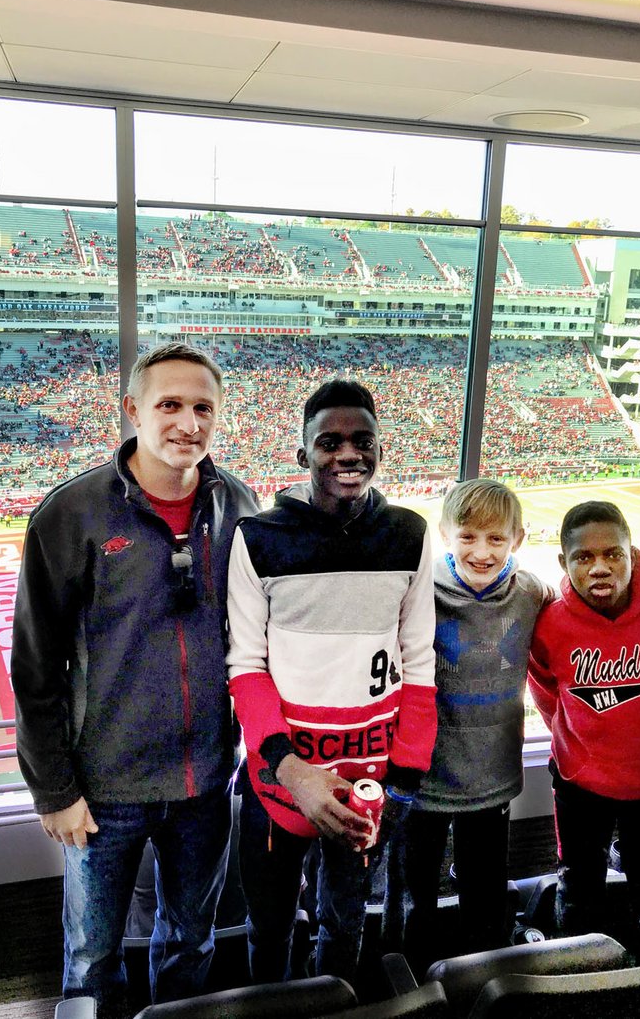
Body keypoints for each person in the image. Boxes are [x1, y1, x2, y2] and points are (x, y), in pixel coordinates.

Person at [11, 342, 258, 1019]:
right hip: (103, 790)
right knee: (92, 956)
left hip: (205, 781)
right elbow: (35, 670)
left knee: (191, 944)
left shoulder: (237, 504)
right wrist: (55, 790)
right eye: (169, 405)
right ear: (132, 411)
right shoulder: (72, 516)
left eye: (202, 406)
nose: (188, 422)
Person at [227, 379, 437, 985]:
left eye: (362, 440)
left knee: (343, 925)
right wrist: (288, 768)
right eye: (330, 442)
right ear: (303, 456)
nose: (348, 454)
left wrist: (403, 781)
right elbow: (246, 666)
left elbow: (419, 663)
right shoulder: (258, 539)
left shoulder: (409, 534)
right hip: (277, 785)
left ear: (379, 449)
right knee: (269, 929)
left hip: (368, 787)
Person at [390, 479, 552, 974]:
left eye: (496, 539)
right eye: (468, 537)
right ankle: (414, 979)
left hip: (492, 776)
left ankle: (485, 978)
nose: (482, 552)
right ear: (444, 534)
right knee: (417, 892)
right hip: (425, 775)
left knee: (485, 892)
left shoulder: (530, 592)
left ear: (517, 541)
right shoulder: (417, 594)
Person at [528, 500, 640, 935]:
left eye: (613, 554)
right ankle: (578, 965)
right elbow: (547, 693)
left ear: (632, 554)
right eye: (584, 557)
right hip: (580, 783)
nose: (600, 568)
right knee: (578, 888)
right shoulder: (550, 623)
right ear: (563, 562)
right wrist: (577, 747)